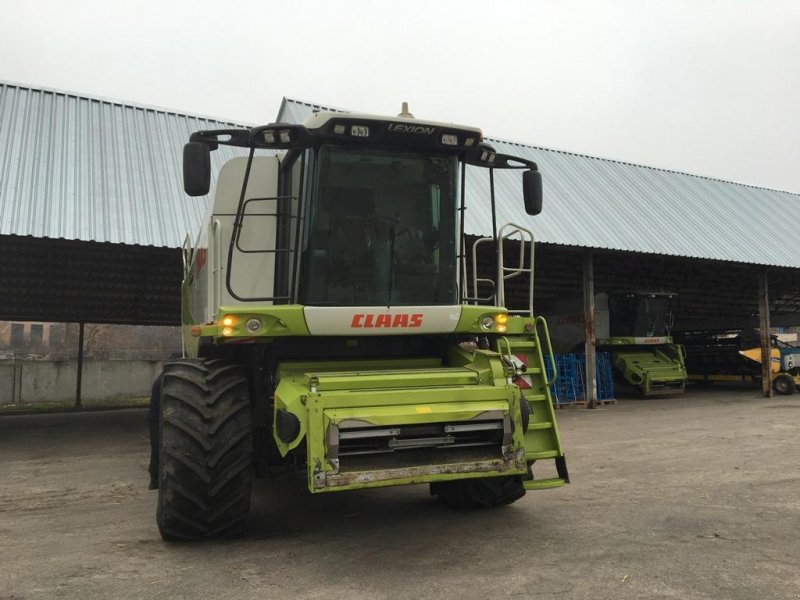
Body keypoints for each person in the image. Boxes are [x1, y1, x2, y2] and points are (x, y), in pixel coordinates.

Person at [147, 371, 165, 490]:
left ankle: (155, 478)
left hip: (156, 418)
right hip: (156, 420)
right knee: (157, 448)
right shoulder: (162, 381)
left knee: (156, 448)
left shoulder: (161, 379)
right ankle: (154, 478)